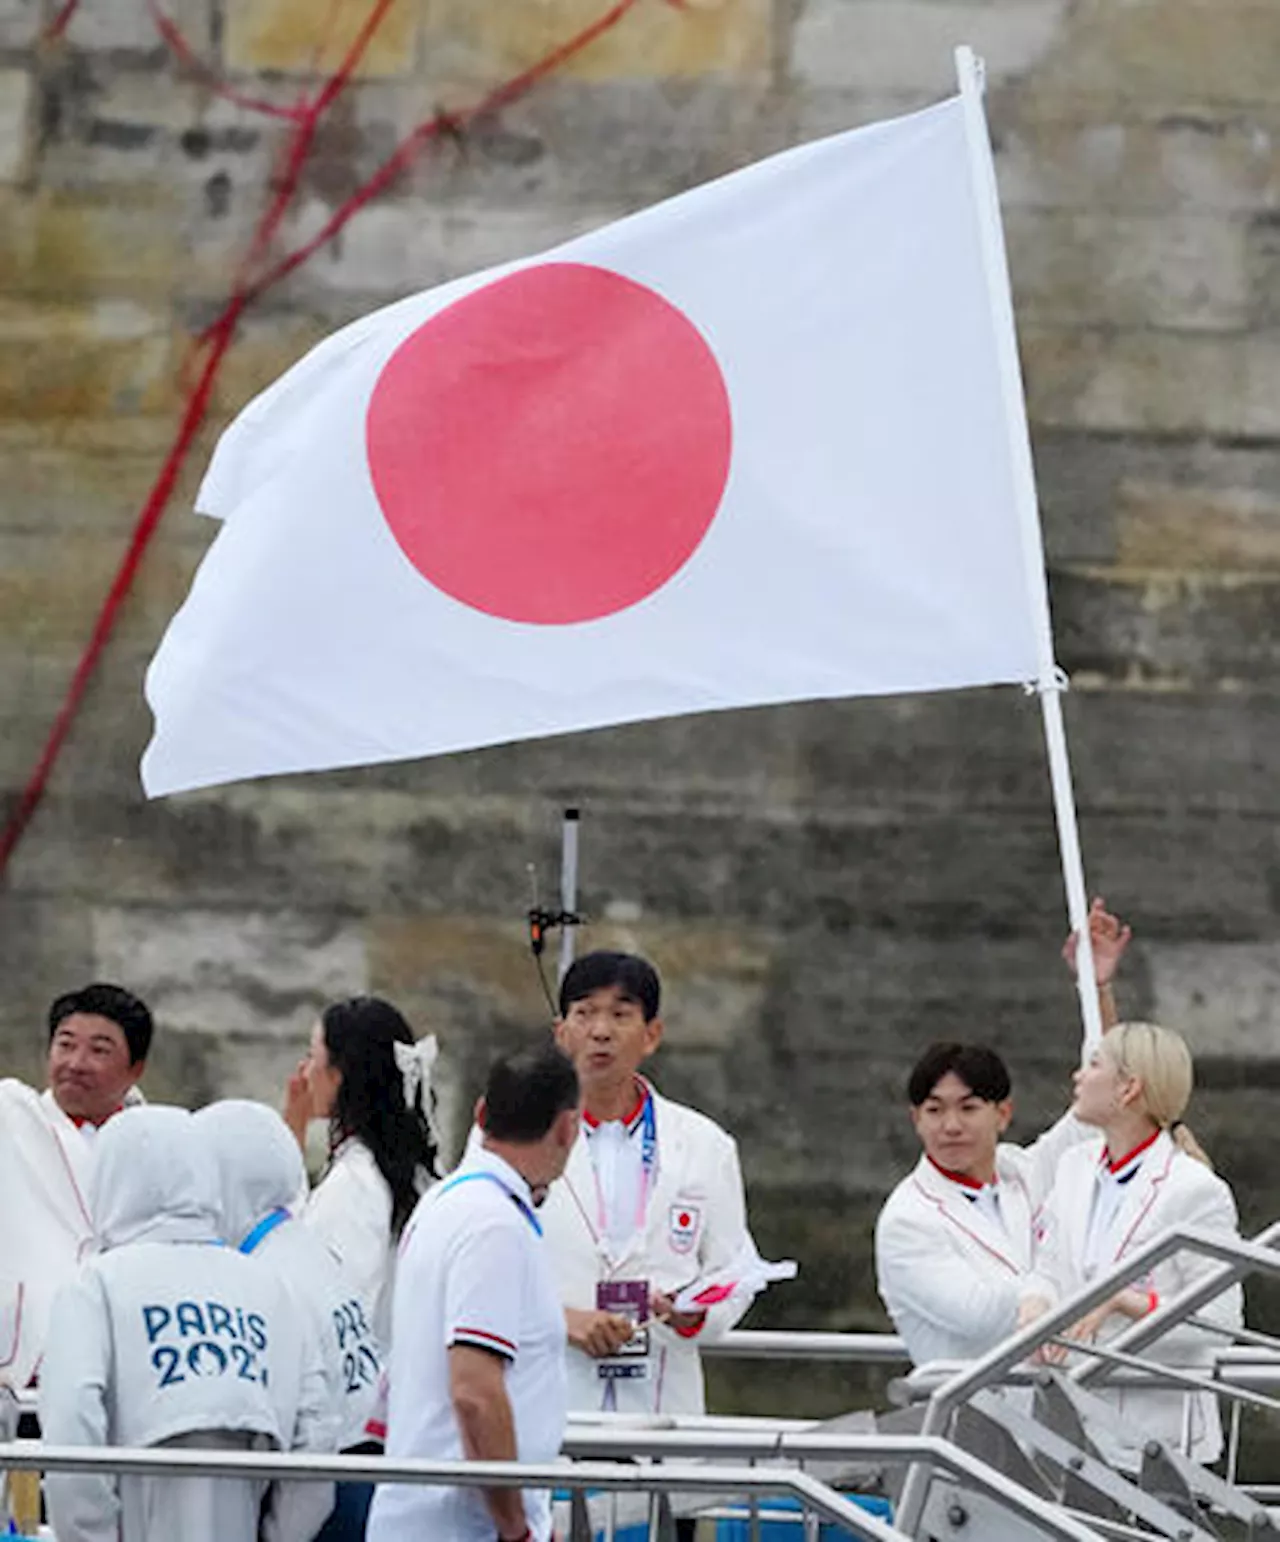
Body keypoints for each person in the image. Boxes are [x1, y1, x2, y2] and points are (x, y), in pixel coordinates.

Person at [39, 1105, 332, 1542]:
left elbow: (71, 1423)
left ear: (107, 1179)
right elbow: (316, 1436)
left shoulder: (95, 1285)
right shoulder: (271, 1288)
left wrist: (88, 1534)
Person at [874, 901, 1130, 1367]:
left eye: (968, 1108)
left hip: (1058, 1414)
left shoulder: (1022, 1170)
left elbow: (1106, 1103)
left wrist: (1097, 989)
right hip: (970, 1424)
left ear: (1003, 1113)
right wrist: (1102, 1287)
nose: (951, 1125)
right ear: (916, 1119)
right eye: (935, 1110)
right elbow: (982, 1315)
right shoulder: (907, 1220)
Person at [366, 1043, 579, 1542]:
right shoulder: (494, 1225)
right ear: (568, 1128)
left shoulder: (447, 1202)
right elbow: (475, 1392)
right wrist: (515, 1527)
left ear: (482, 1114)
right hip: (463, 1524)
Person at [539, 950, 760, 1416]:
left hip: (660, 1393)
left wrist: (693, 1313)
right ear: (562, 1033)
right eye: (585, 1014)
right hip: (551, 1384)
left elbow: (734, 1270)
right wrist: (562, 1320)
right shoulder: (512, 1134)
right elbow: (483, 1266)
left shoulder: (704, 1144)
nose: (601, 1031)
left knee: (657, 1484)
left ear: (651, 1034)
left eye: (620, 1015)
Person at [1022, 1022, 1243, 1464]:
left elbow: (1221, 1319)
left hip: (1160, 1446)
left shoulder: (1195, 1190)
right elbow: (1046, 1268)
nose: (1077, 1076)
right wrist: (1035, 1305)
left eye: (1094, 1065)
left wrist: (1126, 1302)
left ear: (1128, 1089)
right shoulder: (1073, 1167)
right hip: (1071, 1436)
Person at [197, 1098, 383, 1540]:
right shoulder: (302, 1248)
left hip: (327, 1498)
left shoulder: (265, 1275)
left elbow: (313, 1440)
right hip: (360, 1477)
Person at [0, 982, 153, 1390]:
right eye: (65, 1045)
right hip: (23, 1357)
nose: (76, 1063)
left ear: (135, 1068)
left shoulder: (160, 1142)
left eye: (99, 1050)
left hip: (122, 1354)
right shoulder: (13, 1117)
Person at [283, 996, 440, 1351]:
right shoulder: (411, 1170)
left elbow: (339, 1313)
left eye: (313, 1056)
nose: (304, 1071)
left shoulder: (355, 1185)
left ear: (338, 1076)